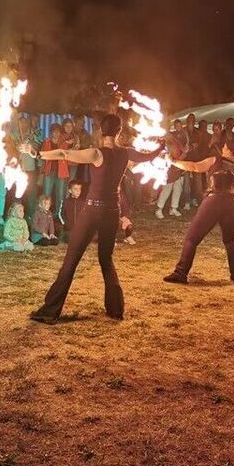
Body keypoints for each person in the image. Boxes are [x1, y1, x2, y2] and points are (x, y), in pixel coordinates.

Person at [26, 113, 161, 323]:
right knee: (106, 260)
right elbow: (148, 156)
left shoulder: (97, 153)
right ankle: (116, 309)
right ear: (119, 132)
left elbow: (64, 153)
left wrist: (37, 154)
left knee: (71, 261)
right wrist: (161, 146)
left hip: (92, 211)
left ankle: (49, 311)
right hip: (111, 212)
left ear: (100, 131)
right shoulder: (126, 153)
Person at [162, 133, 234, 285]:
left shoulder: (215, 160)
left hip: (214, 201)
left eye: (225, 146)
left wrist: (173, 161)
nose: (223, 147)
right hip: (233, 203)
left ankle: (181, 273)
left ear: (228, 150)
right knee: (229, 240)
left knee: (191, 238)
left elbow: (194, 167)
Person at [7, 115, 42, 219]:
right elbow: (9, 148)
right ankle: (16, 215)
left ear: (28, 124)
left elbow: (38, 148)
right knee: (17, 193)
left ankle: (32, 214)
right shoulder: (15, 136)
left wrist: (30, 147)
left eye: (25, 123)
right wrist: (15, 148)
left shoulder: (33, 136)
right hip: (18, 169)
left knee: (32, 193)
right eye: (21, 123)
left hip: (30, 168)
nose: (23, 125)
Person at [41, 123, 73, 222]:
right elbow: (44, 155)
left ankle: (58, 215)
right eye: (54, 131)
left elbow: (65, 156)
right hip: (49, 171)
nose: (56, 133)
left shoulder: (64, 143)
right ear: (51, 132)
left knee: (60, 194)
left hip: (61, 172)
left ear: (60, 133)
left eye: (58, 132)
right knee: (47, 194)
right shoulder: (46, 142)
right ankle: (44, 214)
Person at [155, 136, 185, 218]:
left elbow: (180, 156)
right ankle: (159, 208)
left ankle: (173, 208)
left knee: (178, 188)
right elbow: (171, 159)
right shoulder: (164, 148)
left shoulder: (177, 146)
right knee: (167, 189)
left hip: (177, 170)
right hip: (169, 171)